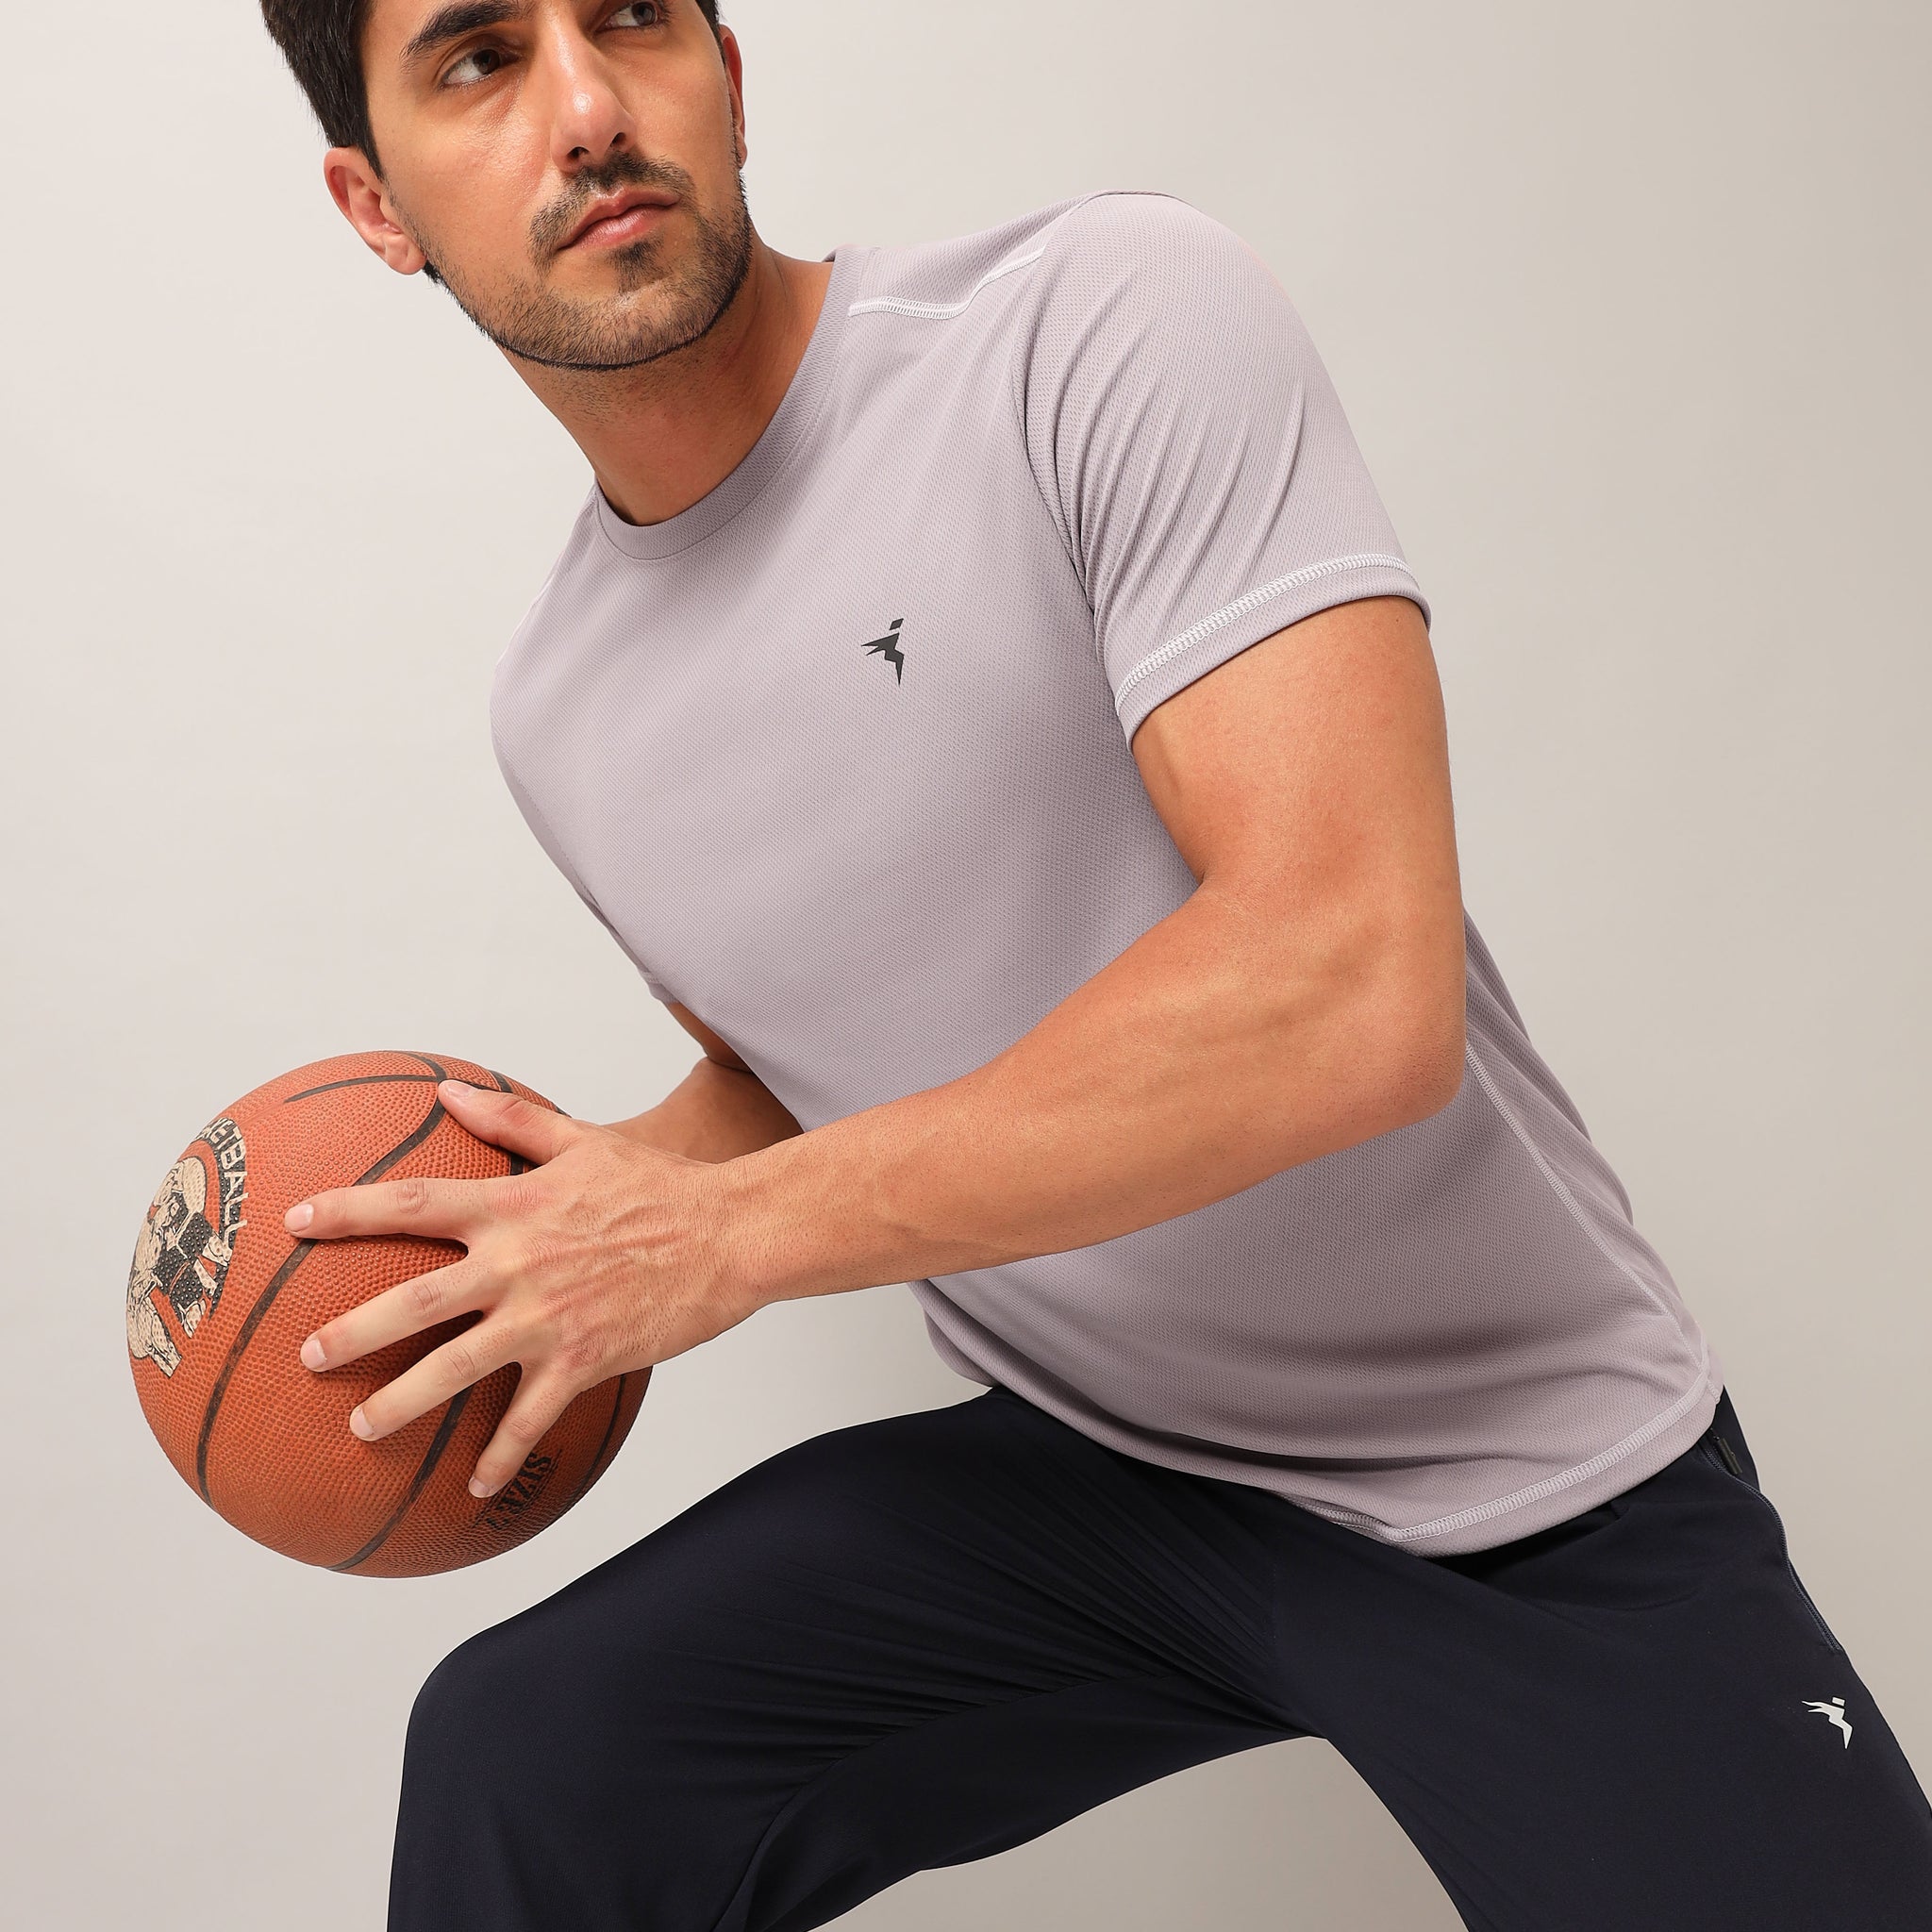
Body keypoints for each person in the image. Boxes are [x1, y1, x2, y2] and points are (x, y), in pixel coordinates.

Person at [257, 4, 1932, 1926]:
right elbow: (815, 1061)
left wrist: (717, 1240)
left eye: (631, 16)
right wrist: (563, 1221)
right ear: (376, 207)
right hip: (1101, 1470)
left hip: (1515, 1468)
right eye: (477, 57)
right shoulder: (566, 714)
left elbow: (1346, 989)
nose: (583, 104)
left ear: (729, 74)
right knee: (530, 1750)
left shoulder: (1094, 326)